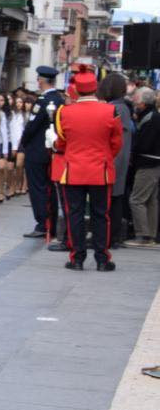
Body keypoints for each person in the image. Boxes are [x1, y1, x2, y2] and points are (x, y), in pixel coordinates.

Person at [54, 67, 123, 271]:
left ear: (77, 89)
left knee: (74, 214)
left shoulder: (65, 112)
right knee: (101, 215)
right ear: (95, 89)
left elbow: (61, 143)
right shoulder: (111, 110)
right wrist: (105, 156)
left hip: (73, 170)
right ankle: (102, 259)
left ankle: (77, 258)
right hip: (100, 170)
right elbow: (116, 142)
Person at [22, 66, 64, 238]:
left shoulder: (43, 101)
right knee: (48, 187)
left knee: (38, 187)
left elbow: (32, 127)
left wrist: (23, 143)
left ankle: (43, 223)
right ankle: (50, 222)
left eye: (38, 79)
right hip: (50, 149)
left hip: (37, 150)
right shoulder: (59, 99)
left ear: (41, 80)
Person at [99, 73, 134, 246]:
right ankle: (111, 236)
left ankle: (110, 236)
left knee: (112, 200)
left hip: (114, 161)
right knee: (115, 199)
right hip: (119, 160)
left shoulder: (117, 109)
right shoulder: (122, 107)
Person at [129, 87, 159, 247]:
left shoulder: (150, 119)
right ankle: (151, 235)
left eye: (136, 100)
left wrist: (133, 150)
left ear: (143, 102)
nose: (134, 102)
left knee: (137, 199)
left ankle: (142, 235)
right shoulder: (152, 116)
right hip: (155, 163)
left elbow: (144, 144)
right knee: (151, 200)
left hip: (147, 163)